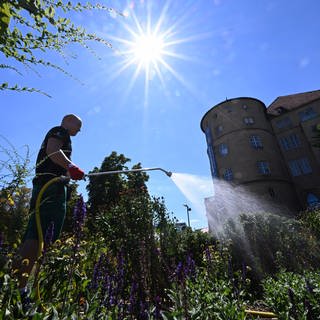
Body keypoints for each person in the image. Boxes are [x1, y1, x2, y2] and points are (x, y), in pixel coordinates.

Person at [13, 114, 85, 297]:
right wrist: (71, 167)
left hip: (55, 187)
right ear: (69, 121)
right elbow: (53, 151)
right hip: (49, 189)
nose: (79, 130)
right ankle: (18, 289)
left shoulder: (65, 137)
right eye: (78, 125)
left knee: (44, 237)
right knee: (37, 235)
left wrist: (68, 174)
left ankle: (20, 285)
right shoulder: (59, 131)